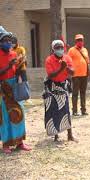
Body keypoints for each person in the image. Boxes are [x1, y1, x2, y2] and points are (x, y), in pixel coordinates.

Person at [0, 26, 31, 154]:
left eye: (9, 40)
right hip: (3, 88)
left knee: (19, 113)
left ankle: (19, 142)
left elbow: (17, 69)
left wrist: (20, 64)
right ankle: (6, 144)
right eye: (5, 40)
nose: (8, 42)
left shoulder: (13, 53)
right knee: (6, 116)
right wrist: (9, 66)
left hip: (14, 87)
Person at [43, 40, 77, 142]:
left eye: (61, 47)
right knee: (53, 110)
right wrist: (60, 69)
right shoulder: (49, 60)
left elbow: (73, 72)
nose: (60, 49)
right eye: (57, 47)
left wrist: (65, 67)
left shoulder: (67, 58)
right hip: (51, 87)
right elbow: (50, 75)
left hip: (63, 86)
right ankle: (56, 134)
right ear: (53, 49)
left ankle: (69, 135)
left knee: (66, 109)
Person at [68, 34, 90, 116]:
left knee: (83, 93)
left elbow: (87, 62)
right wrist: (69, 73)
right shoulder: (71, 50)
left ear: (83, 41)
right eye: (78, 40)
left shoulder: (85, 50)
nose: (80, 41)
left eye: (81, 40)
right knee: (75, 93)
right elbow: (68, 62)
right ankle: (74, 111)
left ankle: (83, 110)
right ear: (75, 41)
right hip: (75, 75)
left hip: (84, 75)